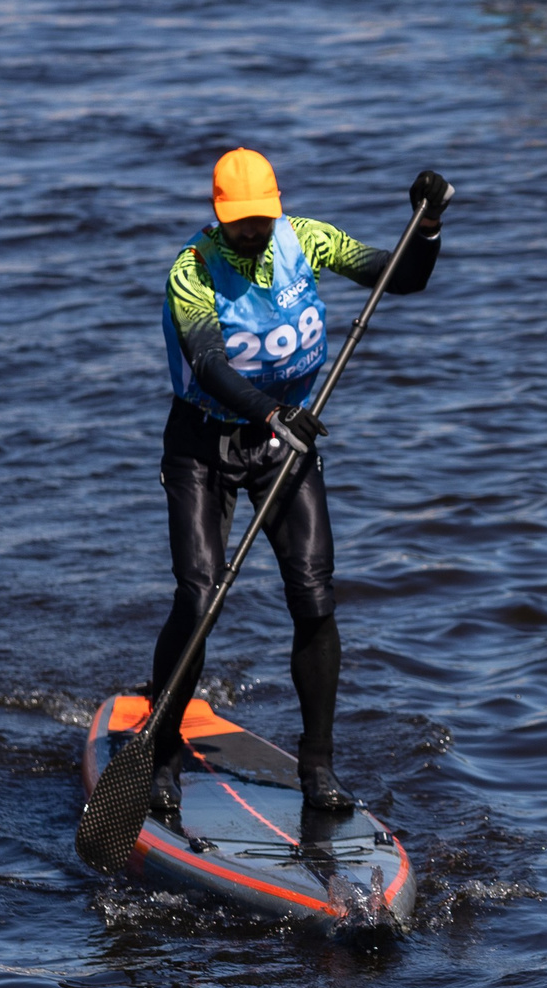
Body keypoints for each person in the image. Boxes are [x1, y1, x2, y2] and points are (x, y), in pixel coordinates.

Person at [152, 148, 449, 823]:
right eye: (240, 222)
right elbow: (206, 363)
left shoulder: (305, 239)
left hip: (287, 446)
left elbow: (396, 278)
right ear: (218, 215)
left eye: (261, 219)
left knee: (315, 598)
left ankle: (318, 768)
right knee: (200, 600)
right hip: (204, 446)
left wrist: (426, 228)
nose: (253, 233)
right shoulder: (191, 270)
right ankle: (163, 754)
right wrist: (270, 412)